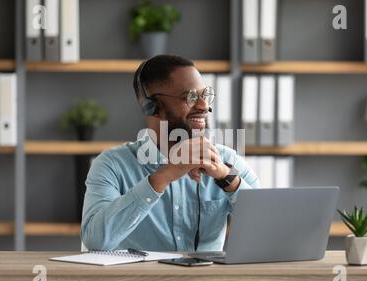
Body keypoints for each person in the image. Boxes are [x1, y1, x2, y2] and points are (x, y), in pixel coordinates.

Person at [81, 54, 260, 252]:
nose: (204, 106)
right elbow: (96, 241)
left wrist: (227, 178)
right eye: (190, 97)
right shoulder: (112, 165)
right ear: (153, 106)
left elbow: (267, 227)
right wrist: (162, 177)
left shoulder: (227, 160)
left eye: (205, 95)